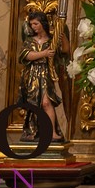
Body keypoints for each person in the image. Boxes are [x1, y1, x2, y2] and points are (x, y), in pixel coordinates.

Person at [17, 11, 72, 144]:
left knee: (47, 103)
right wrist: (44, 53)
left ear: (43, 23)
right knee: (34, 104)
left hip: (46, 74)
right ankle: (33, 131)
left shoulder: (52, 40)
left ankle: (52, 132)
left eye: (36, 23)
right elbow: (26, 55)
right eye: (31, 24)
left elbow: (64, 51)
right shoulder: (30, 40)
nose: (34, 27)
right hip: (32, 75)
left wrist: (63, 37)